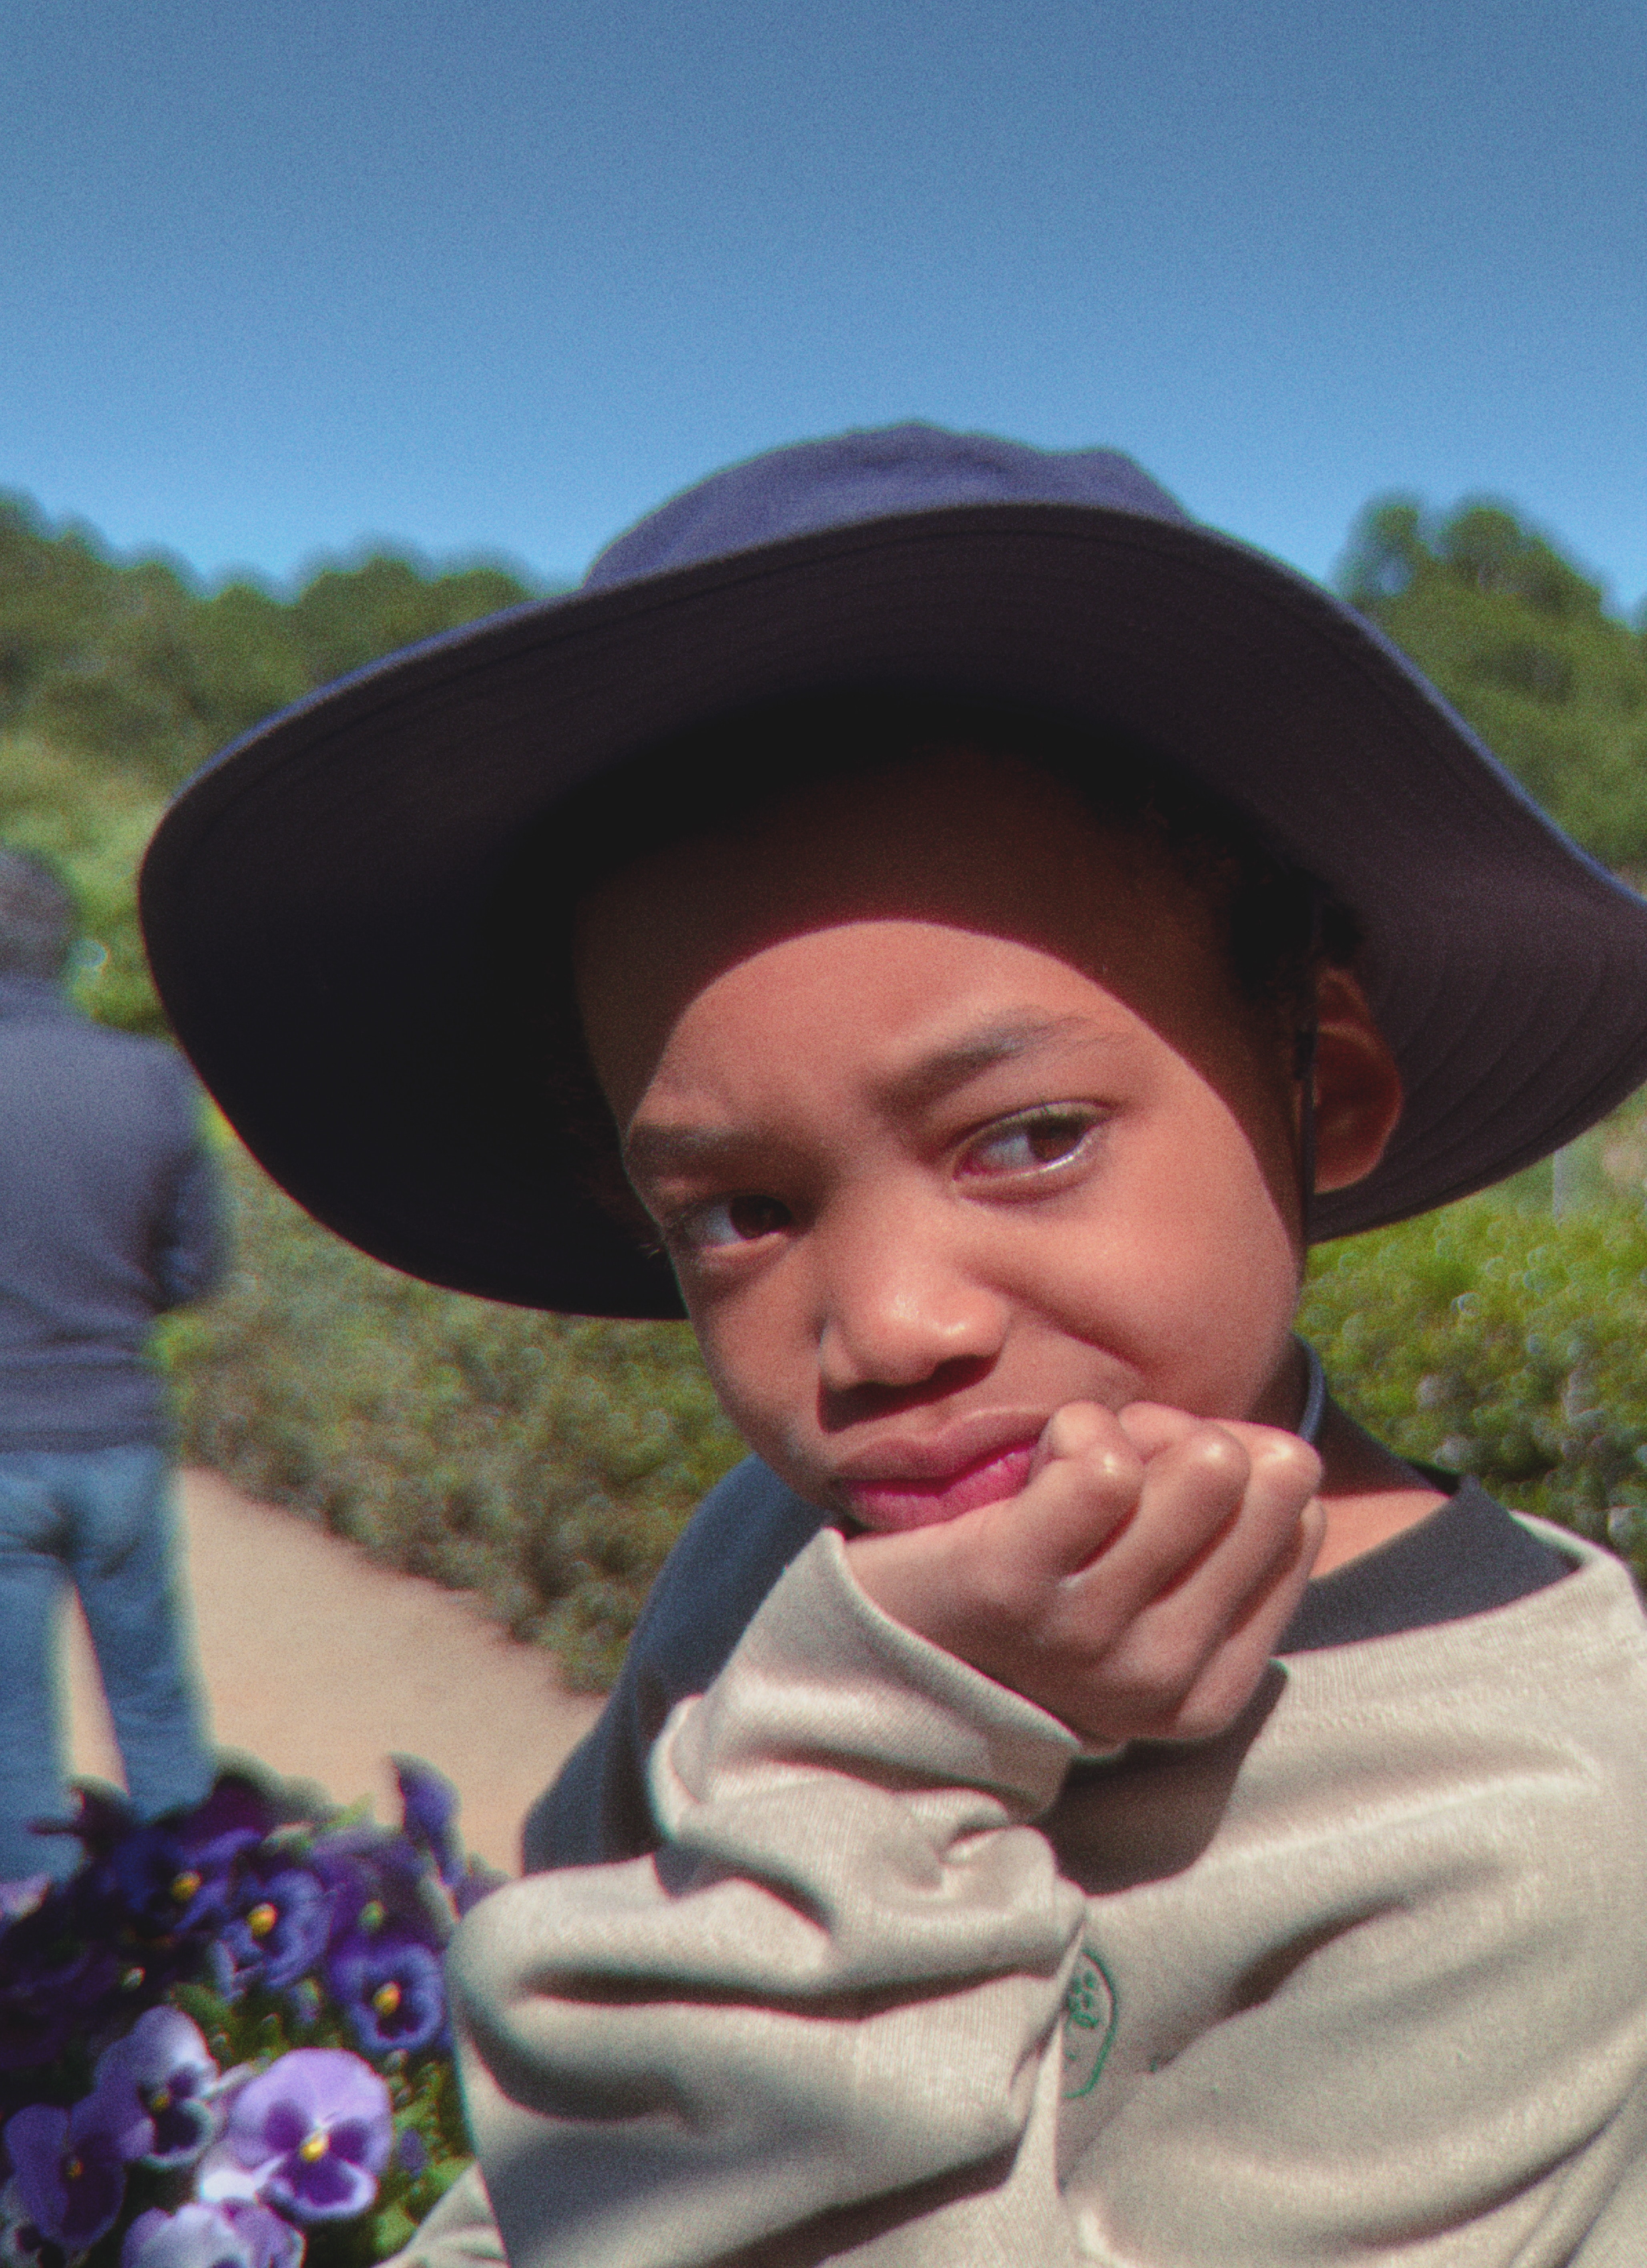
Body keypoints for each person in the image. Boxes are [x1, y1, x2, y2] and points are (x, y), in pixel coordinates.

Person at [139, 426, 1647, 2263]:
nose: (889, 1329)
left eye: (1029, 1139)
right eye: (737, 1213)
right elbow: (559, 2161)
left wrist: (886, 1747)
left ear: (1322, 1085)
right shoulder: (775, 1562)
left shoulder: (1522, 1806)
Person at [0, 849, 221, 1894]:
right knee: (154, 1700)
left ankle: (37, 1963)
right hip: (118, 1428)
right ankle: (196, 1928)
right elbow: (198, 1269)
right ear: (67, 950)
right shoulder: (150, 1081)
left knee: (10, 1721)